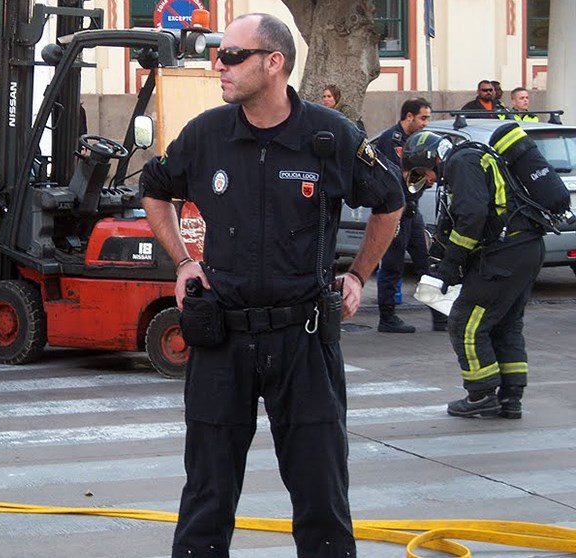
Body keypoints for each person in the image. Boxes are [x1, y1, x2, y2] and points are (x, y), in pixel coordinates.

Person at [140, 13, 404, 558]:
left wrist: (358, 275)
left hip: (303, 340)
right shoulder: (207, 134)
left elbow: (390, 201)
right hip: (223, 339)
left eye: (233, 55)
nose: (220, 65)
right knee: (207, 498)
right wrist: (183, 262)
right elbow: (154, 188)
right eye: (220, 55)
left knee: (321, 497)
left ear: (273, 63)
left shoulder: (329, 137)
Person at [402, 126, 563, 419]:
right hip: (526, 248)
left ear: (428, 159)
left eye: (422, 173)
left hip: (505, 254)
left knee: (465, 323)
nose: (428, 180)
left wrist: (450, 266)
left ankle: (481, 394)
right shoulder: (473, 158)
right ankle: (511, 398)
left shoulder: (460, 163)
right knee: (506, 325)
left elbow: (472, 217)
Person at [371, 97, 447, 333]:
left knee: (426, 264)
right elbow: (396, 176)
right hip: (394, 212)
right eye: (423, 118)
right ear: (409, 116)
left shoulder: (419, 141)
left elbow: (419, 175)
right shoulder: (391, 140)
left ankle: (440, 316)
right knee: (392, 265)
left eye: (428, 118)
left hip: (412, 211)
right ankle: (387, 317)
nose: (426, 123)